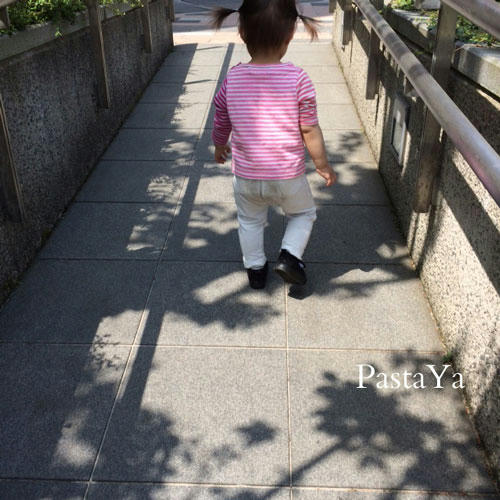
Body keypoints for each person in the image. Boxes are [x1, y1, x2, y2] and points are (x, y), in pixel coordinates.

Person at [211, 0, 337, 289]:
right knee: (303, 213)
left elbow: (221, 117)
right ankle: (290, 256)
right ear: (291, 33)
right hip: (287, 176)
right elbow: (309, 128)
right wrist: (322, 164)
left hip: (246, 176)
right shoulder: (299, 79)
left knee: (250, 221)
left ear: (242, 32)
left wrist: (219, 145)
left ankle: (255, 270)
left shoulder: (232, 78)